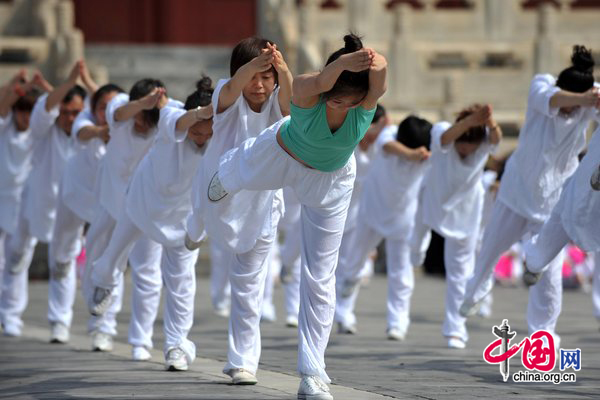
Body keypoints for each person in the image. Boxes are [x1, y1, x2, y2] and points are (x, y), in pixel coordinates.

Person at [210, 33, 387, 400]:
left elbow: (381, 73)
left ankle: (312, 373)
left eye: (348, 98)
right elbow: (322, 82)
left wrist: (368, 58)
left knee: (320, 277)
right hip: (280, 155)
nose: (340, 102)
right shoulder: (309, 90)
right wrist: (338, 66)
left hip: (332, 181)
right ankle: (225, 173)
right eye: (335, 93)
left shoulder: (367, 103)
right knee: (238, 170)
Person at [460, 46, 600, 348]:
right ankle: (474, 292)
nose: (569, 111)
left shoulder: (589, 103)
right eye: (569, 104)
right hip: (516, 192)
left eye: (576, 107)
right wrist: (583, 99)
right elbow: (554, 99)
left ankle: (544, 334)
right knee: (490, 251)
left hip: (554, 199)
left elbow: (591, 101)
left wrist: (590, 99)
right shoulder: (542, 86)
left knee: (548, 277)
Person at [185, 36, 292, 386]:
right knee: (202, 211)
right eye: (252, 76)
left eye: (267, 76)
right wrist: (253, 66)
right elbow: (233, 88)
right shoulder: (225, 95)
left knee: (248, 286)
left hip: (260, 204)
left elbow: (293, 109)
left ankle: (243, 362)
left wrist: (283, 67)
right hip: (218, 192)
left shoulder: (279, 100)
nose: (258, 85)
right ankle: (195, 222)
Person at [89, 77, 214, 370]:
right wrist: (198, 115)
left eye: (206, 131)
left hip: (182, 216)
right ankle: (104, 284)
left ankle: (176, 346)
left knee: (182, 281)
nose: (199, 136)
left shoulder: (219, 132)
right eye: (195, 130)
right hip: (142, 202)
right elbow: (179, 121)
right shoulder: (172, 113)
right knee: (111, 258)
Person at [82, 79, 175, 356]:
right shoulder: (120, 109)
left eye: (149, 117)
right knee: (102, 261)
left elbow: (192, 113)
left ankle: (141, 339)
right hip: (111, 202)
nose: (143, 123)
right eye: (141, 116)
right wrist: (140, 105)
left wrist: (161, 105)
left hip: (145, 207)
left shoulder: (165, 118)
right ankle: (102, 328)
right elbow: (121, 113)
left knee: (147, 272)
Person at [0, 62, 88, 337]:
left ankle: (60, 321)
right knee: (16, 256)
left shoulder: (84, 131)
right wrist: (67, 81)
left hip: (69, 206)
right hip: (34, 200)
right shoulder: (44, 127)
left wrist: (72, 86)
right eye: (65, 112)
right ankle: (10, 315)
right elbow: (49, 105)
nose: (69, 118)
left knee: (63, 264)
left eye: (75, 113)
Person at [411, 104, 501, 349]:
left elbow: (496, 138)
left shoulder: (483, 146)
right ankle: (417, 251)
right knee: (417, 239)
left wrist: (489, 122)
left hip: (466, 213)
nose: (465, 148)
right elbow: (446, 136)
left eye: (470, 143)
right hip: (433, 201)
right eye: (463, 141)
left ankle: (455, 328)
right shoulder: (444, 133)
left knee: (459, 273)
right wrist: (469, 122)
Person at [336, 115, 431, 340]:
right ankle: (344, 315)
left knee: (401, 274)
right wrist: (412, 154)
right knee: (353, 265)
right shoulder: (390, 135)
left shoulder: (430, 153)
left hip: (402, 220)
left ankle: (397, 323)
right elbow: (387, 145)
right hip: (371, 212)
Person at [48, 80, 125, 344]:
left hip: (108, 201)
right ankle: (59, 319)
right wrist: (100, 130)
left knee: (110, 259)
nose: (108, 111)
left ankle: (103, 326)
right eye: (102, 106)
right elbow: (82, 133)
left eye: (113, 106)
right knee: (61, 255)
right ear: (94, 108)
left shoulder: (131, 125)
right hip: (74, 194)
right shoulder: (85, 119)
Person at [0, 71, 49, 300]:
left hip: (26, 200)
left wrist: (43, 86)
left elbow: (60, 107)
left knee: (19, 258)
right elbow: (4, 105)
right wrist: (24, 86)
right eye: (22, 111)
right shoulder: (5, 126)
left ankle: (11, 315)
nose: (26, 117)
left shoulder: (40, 132)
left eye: (31, 112)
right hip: (2, 197)